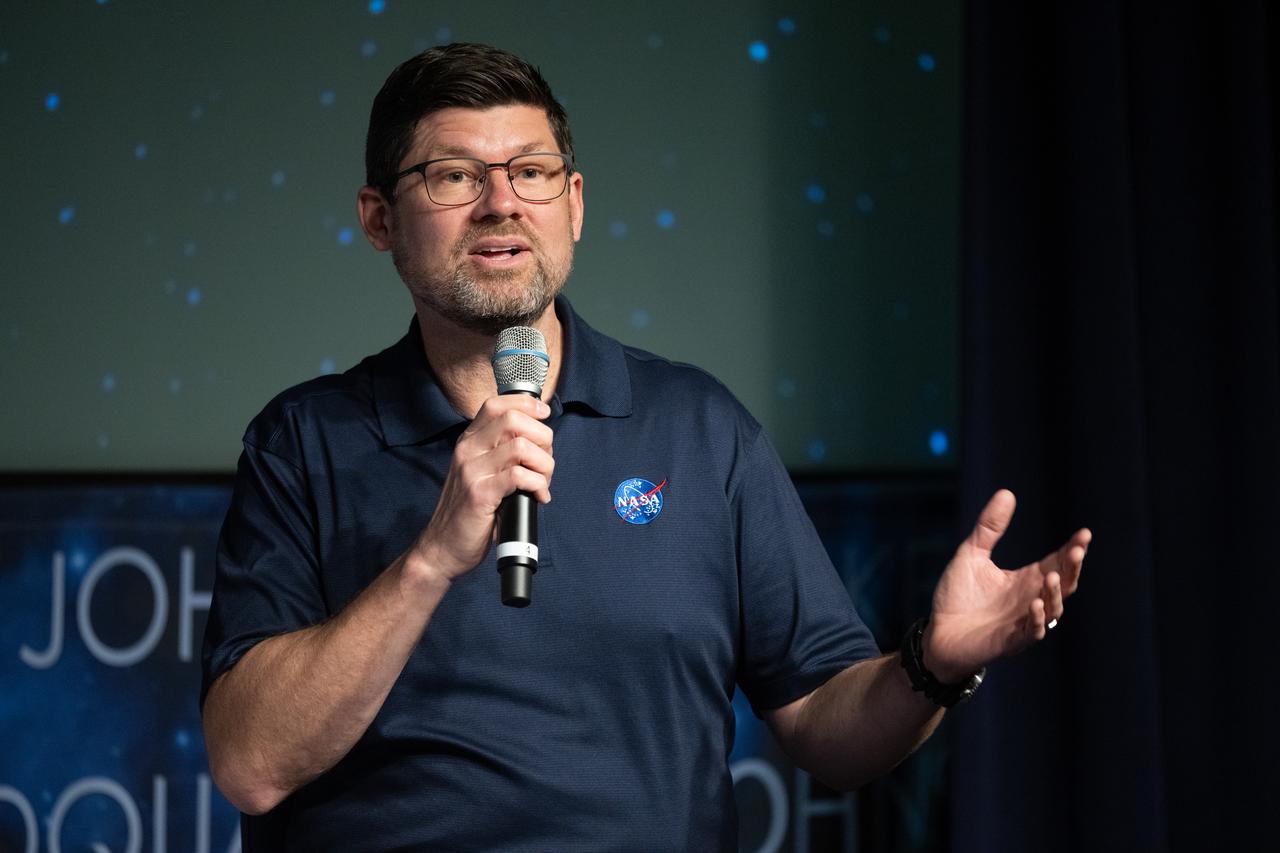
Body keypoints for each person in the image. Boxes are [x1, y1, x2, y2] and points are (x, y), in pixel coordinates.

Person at [200, 43, 1090, 851]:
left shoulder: (699, 428)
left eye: (532, 171)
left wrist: (932, 665)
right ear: (379, 218)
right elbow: (250, 763)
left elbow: (827, 721)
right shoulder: (302, 444)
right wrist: (430, 560)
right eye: (454, 177)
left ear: (574, 204)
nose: (501, 202)